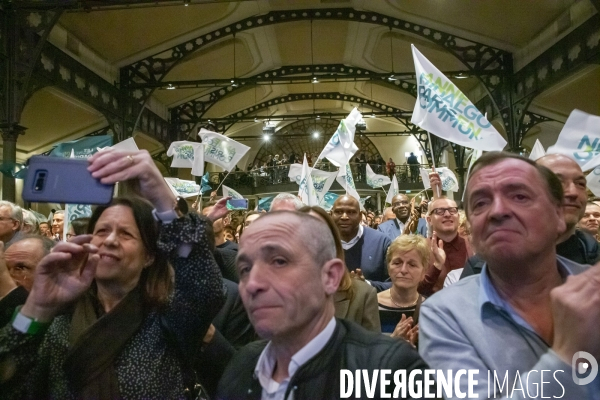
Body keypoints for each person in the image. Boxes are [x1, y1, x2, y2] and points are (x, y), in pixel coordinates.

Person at [0, 149, 224, 399]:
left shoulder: (169, 320)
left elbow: (205, 286)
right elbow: (8, 379)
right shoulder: (59, 323)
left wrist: (160, 194)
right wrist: (37, 307)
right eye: (102, 230)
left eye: (126, 234)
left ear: (149, 256)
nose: (111, 240)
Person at [419, 152, 600, 399]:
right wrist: (567, 354)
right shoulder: (446, 314)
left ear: (558, 215)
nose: (498, 211)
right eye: (480, 203)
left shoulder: (594, 289)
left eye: (520, 196)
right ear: (471, 226)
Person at [217, 211, 430, 399]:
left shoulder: (393, 368)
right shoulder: (242, 365)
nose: (254, 284)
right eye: (245, 269)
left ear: (330, 276)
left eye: (279, 262)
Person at [299, 206, 380, 332]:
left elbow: (372, 350)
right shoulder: (272, 294)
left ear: (334, 243)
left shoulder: (362, 295)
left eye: (320, 233)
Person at [331, 196, 391, 292]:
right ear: (331, 214)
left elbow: (394, 284)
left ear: (360, 216)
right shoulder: (319, 242)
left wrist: (366, 284)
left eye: (351, 212)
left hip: (371, 305)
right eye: (338, 212)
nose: (344, 217)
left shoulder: (381, 241)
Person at [377, 235, 428, 345]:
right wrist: (392, 341)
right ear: (388, 267)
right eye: (397, 263)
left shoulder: (431, 309)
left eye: (412, 264)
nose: (404, 270)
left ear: (423, 272)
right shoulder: (370, 304)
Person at [417, 197, 472, 297]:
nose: (447, 215)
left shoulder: (473, 245)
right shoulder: (420, 248)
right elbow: (417, 291)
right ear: (429, 220)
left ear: (458, 217)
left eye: (452, 210)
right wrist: (437, 266)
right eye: (440, 211)